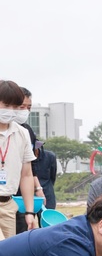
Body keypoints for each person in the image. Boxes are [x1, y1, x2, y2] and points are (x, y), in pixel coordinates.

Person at [0, 80, 36, 240]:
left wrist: (29, 211)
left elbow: (26, 174)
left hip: (8, 205)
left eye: (15, 107)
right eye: (6, 105)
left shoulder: (22, 133)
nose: (11, 111)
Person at [15, 88, 49, 233]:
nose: (25, 111)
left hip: (20, 192)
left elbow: (30, 166)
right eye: (22, 107)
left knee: (21, 231)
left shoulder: (26, 131)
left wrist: (38, 188)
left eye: (29, 107)